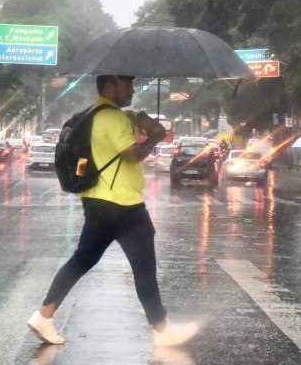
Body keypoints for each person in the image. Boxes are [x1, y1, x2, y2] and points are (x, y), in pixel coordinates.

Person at [27, 74, 200, 348]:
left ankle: (44, 315)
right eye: (126, 83)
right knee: (144, 267)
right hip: (123, 205)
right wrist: (154, 137)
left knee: (82, 259)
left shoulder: (96, 114)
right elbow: (131, 155)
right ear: (110, 86)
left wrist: (138, 122)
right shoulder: (112, 118)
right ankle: (162, 329)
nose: (131, 88)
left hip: (98, 200)